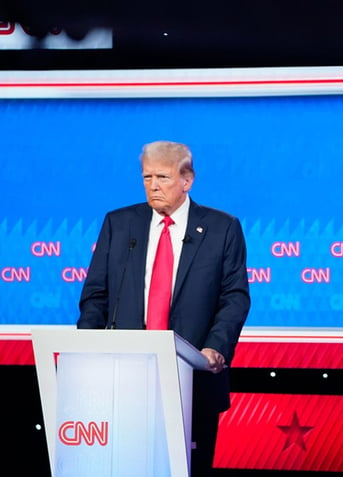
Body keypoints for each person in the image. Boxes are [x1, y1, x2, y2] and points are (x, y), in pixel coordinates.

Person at [77, 140, 250, 477]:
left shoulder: (221, 228)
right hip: (122, 380)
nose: (153, 186)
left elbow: (235, 296)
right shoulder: (120, 223)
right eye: (147, 177)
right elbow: (96, 295)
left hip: (192, 380)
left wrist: (215, 347)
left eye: (163, 177)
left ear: (188, 180)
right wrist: (87, 353)